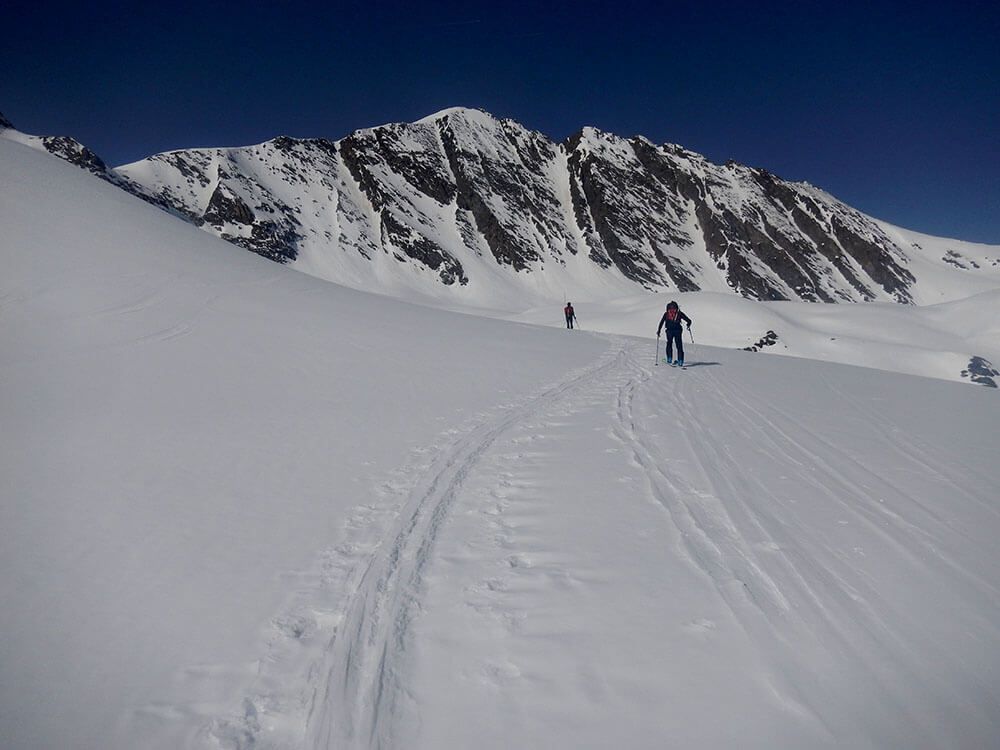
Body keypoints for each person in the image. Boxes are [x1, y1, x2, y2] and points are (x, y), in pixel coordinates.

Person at [657, 300, 692, 366]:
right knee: (679, 345)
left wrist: (659, 330)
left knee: (669, 343)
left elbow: (661, 322)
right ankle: (680, 361)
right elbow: (689, 320)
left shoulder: (666, 314)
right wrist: (688, 325)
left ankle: (669, 359)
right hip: (678, 330)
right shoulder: (679, 313)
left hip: (669, 331)